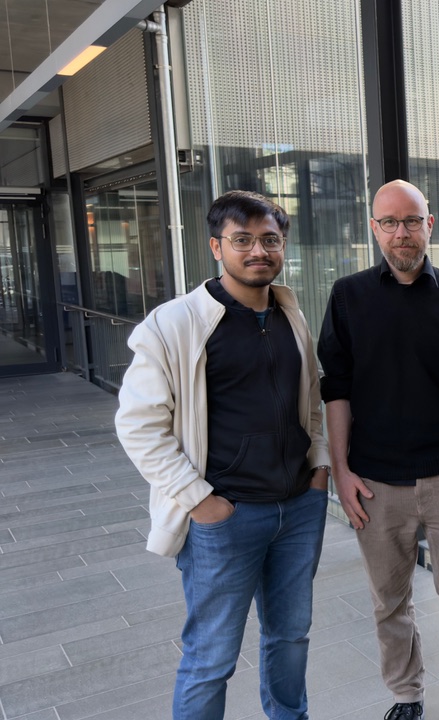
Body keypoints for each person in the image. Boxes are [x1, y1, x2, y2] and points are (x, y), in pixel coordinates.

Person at [115, 190, 331, 719]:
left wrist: (320, 465)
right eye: (243, 240)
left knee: (291, 639)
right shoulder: (174, 324)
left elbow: (312, 399)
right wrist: (200, 500)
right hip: (225, 517)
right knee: (210, 658)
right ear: (216, 246)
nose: (258, 251)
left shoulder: (288, 313)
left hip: (298, 508)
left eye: (270, 240)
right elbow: (138, 425)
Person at [317, 179, 439, 720]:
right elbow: (336, 390)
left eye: (411, 221)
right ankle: (406, 696)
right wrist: (342, 471)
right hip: (374, 481)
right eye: (390, 222)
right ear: (374, 228)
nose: (401, 232)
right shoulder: (347, 296)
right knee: (388, 600)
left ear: (429, 225)